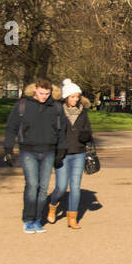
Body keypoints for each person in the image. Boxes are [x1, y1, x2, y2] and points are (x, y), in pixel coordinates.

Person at [3, 78, 67, 234]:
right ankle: (28, 219)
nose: (44, 96)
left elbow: (62, 131)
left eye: (47, 93)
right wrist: (8, 149)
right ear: (35, 90)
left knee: (43, 187)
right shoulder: (22, 105)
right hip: (28, 150)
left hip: (49, 151)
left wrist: (61, 151)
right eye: (41, 93)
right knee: (32, 185)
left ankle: (38, 220)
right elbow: (11, 127)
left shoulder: (57, 107)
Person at [46, 78, 94, 229]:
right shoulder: (57, 111)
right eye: (72, 97)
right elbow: (51, 132)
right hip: (62, 153)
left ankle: (72, 217)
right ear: (66, 97)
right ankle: (52, 205)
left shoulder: (82, 111)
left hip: (79, 153)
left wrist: (86, 136)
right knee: (60, 187)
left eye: (77, 96)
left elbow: (88, 130)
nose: (75, 99)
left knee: (75, 187)